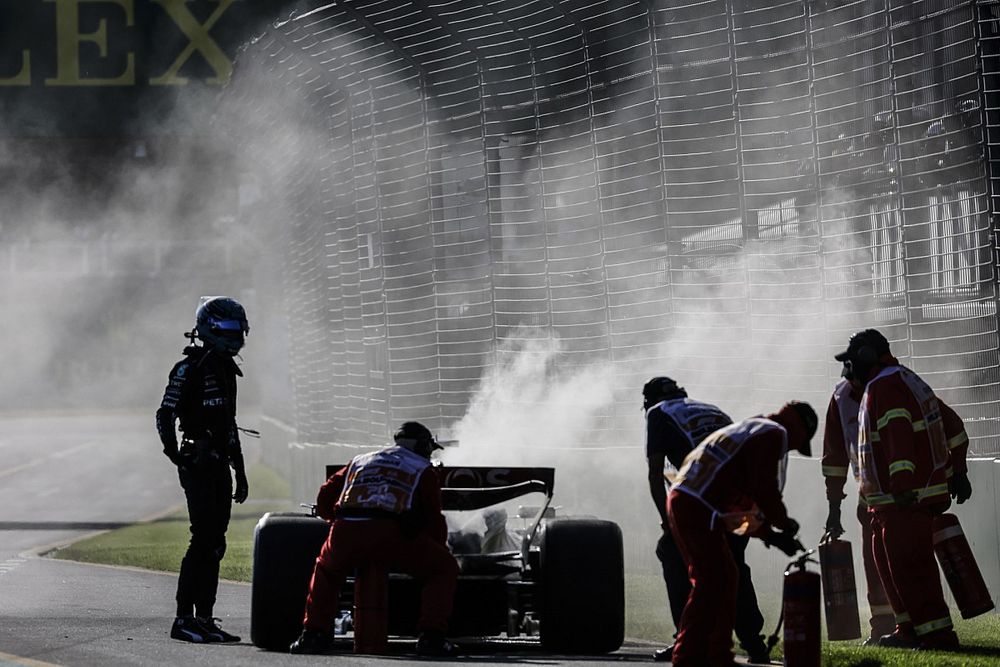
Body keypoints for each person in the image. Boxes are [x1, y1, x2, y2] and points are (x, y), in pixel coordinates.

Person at [836, 328, 971, 650]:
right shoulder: (907, 380)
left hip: (904, 500)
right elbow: (954, 426)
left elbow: (898, 434)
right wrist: (959, 471)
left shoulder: (884, 386)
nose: (847, 370)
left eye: (851, 362)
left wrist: (902, 486)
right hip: (894, 502)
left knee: (912, 569)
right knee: (896, 569)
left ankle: (937, 636)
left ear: (866, 357)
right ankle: (909, 630)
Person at [289, 421, 460, 657]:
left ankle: (312, 634)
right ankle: (431, 636)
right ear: (423, 446)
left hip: (345, 530)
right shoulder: (422, 469)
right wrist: (436, 548)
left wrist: (333, 521)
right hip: (389, 532)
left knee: (326, 570)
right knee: (445, 567)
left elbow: (325, 494)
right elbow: (433, 518)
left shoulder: (361, 460)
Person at [667, 401, 816, 667]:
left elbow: (740, 506)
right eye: (798, 444)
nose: (792, 449)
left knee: (725, 575)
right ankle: (689, 656)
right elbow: (763, 489)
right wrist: (783, 522)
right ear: (799, 429)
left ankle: (716, 655)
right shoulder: (772, 434)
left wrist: (772, 536)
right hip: (697, 504)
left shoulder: (750, 429)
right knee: (711, 580)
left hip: (689, 499)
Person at [642, 377, 770, 664]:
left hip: (711, 492)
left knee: (673, 555)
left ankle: (685, 638)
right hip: (745, 490)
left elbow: (654, 473)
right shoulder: (709, 409)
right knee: (733, 564)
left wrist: (668, 521)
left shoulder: (658, 412)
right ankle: (754, 644)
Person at [155, 296, 251, 643]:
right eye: (227, 328)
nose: (235, 334)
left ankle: (205, 619)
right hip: (196, 462)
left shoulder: (227, 370)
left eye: (239, 328)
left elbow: (230, 425)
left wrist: (240, 472)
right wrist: (176, 455)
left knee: (216, 543)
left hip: (220, 465)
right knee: (203, 539)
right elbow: (164, 413)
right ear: (209, 329)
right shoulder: (188, 368)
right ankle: (183, 619)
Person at [821, 368, 895, 643]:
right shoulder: (841, 397)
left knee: (904, 567)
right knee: (877, 568)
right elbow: (834, 458)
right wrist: (834, 508)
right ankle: (884, 629)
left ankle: (915, 629)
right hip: (872, 503)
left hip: (906, 500)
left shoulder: (896, 386)